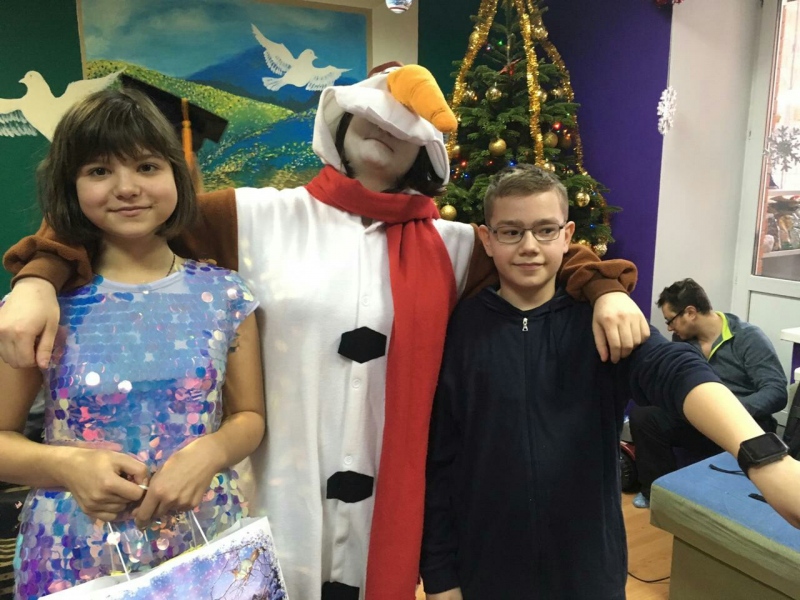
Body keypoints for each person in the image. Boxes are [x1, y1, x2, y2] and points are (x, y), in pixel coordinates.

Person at [0, 65, 650, 600]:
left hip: (385, 515)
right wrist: (37, 276)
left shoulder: (454, 246)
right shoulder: (250, 216)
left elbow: (535, 249)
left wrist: (605, 288)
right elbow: (121, 220)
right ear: (339, 122)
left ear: (424, 151)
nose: (382, 135)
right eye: (370, 119)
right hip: (266, 505)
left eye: (399, 130)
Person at [420, 165, 800, 600]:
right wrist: (440, 576)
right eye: (511, 232)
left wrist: (765, 459)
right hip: (486, 567)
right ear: (487, 239)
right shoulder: (460, 331)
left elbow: (677, 370)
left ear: (567, 235)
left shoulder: (601, 322)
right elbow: (439, 461)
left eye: (545, 230)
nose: (529, 246)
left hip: (588, 569)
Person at [0, 88, 265, 599]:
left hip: (205, 540)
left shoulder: (226, 294)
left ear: (176, 175)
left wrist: (211, 452)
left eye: (146, 166)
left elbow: (249, 416)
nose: (127, 188)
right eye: (99, 171)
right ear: (71, 186)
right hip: (73, 552)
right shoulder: (44, 305)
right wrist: (66, 465)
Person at [629, 278, 788, 508]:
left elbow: (776, 391)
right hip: (702, 421)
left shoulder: (748, 337)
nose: (670, 328)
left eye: (671, 320)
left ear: (690, 312)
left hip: (745, 422)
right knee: (644, 416)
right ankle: (657, 493)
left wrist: (728, 410)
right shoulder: (682, 341)